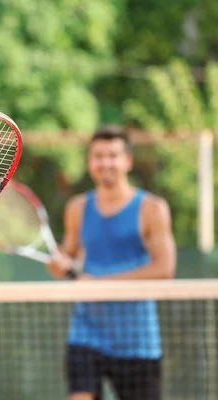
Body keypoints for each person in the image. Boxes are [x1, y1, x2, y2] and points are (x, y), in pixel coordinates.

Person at [46, 126, 176, 400]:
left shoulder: (152, 208)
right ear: (89, 162)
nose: (105, 162)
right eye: (98, 156)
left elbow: (164, 269)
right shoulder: (77, 208)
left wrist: (101, 284)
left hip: (136, 339)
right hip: (87, 333)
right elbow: (67, 256)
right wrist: (59, 263)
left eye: (113, 155)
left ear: (127, 161)